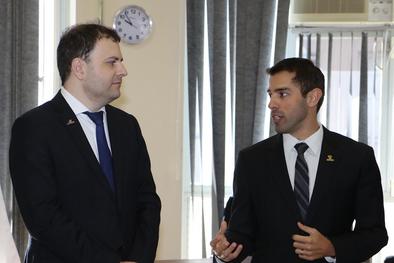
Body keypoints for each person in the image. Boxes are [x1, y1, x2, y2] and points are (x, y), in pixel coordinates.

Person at [9, 23, 161, 263]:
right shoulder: (35, 127)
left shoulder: (127, 126)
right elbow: (43, 217)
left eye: (120, 61)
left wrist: (138, 258)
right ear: (79, 68)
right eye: (112, 62)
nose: (123, 70)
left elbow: (148, 202)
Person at [210, 58, 388, 262]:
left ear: (313, 97)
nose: (271, 104)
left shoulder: (356, 157)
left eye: (282, 94)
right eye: (270, 95)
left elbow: (375, 234)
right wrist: (225, 250)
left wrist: (331, 247)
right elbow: (242, 235)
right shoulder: (252, 160)